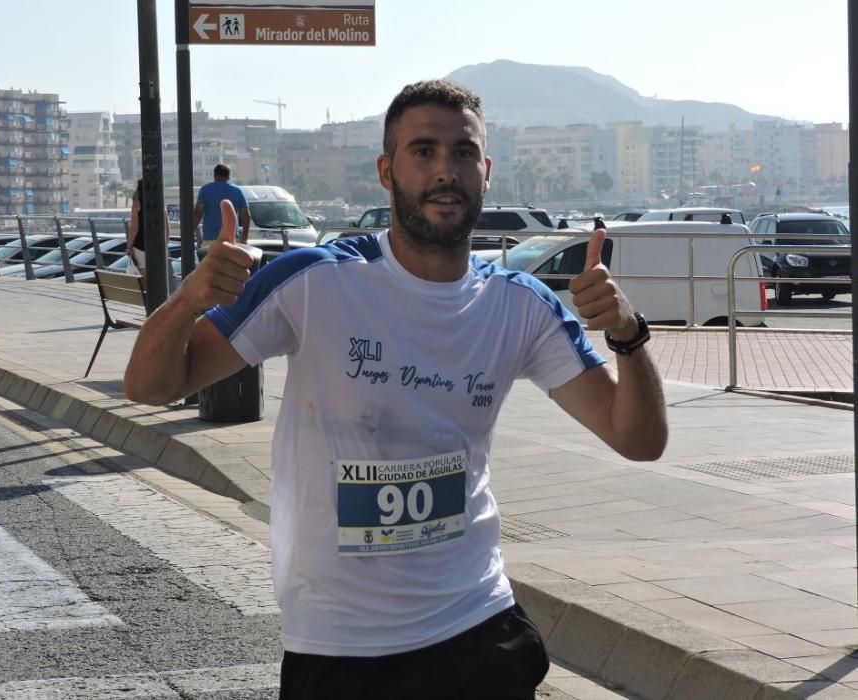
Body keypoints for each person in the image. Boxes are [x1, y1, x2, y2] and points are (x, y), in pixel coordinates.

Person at [124, 80, 668, 700]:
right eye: (423, 151)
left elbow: (639, 440)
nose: (446, 171)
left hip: (476, 625)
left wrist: (628, 334)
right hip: (341, 646)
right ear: (387, 170)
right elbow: (149, 386)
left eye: (463, 153)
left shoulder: (520, 306)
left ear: (485, 171)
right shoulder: (315, 281)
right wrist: (191, 300)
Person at [194, 163, 250, 247]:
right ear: (228, 176)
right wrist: (244, 238)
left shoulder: (205, 190)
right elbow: (246, 216)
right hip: (232, 239)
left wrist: (190, 232)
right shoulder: (238, 191)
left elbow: (198, 214)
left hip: (210, 239)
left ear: (214, 175)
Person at [126, 177, 171, 275]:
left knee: (143, 282)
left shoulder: (137, 203)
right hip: (158, 248)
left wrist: (129, 247)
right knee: (157, 279)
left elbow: (134, 228)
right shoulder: (160, 203)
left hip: (141, 247)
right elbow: (167, 229)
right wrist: (165, 247)